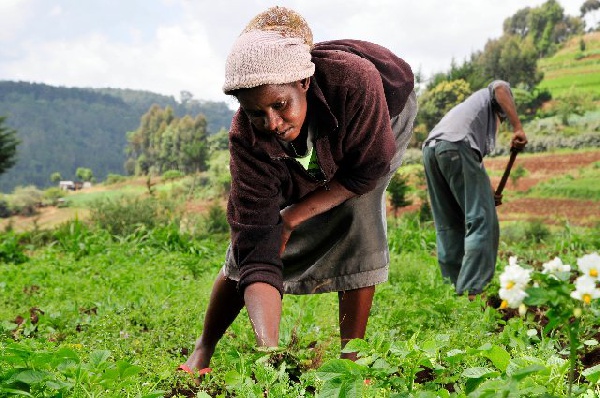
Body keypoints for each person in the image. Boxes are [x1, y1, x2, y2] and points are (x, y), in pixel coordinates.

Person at [181, 6, 417, 375]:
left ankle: (350, 363)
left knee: (357, 214)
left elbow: (365, 171)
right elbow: (257, 248)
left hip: (383, 117)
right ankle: (203, 348)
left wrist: (293, 216)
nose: (271, 123)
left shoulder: (355, 81)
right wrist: (269, 355)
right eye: (257, 113)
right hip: (324, 124)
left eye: (280, 105)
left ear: (303, 83)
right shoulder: (247, 136)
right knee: (251, 245)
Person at [422, 80, 527, 298]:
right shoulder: (493, 94)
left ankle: (452, 288)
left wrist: (489, 193)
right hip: (456, 148)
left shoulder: (468, 115)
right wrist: (518, 128)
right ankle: (472, 291)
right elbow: (500, 87)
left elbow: (472, 162)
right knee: (482, 220)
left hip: (433, 152)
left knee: (449, 224)